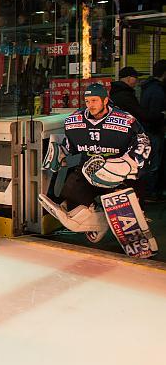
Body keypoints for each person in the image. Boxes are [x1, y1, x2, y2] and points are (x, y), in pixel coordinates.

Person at [38, 83, 154, 255]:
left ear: (105, 100)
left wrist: (127, 164)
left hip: (119, 174)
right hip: (88, 169)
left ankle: (131, 228)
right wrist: (58, 150)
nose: (90, 104)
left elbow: (143, 143)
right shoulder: (74, 120)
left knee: (127, 215)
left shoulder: (125, 120)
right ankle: (98, 219)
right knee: (69, 195)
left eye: (94, 100)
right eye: (87, 101)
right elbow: (69, 144)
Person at [139, 60, 166, 199]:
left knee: (149, 163)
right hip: (153, 132)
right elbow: (154, 115)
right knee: (153, 164)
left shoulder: (147, 87)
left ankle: (148, 192)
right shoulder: (157, 91)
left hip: (147, 131)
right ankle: (150, 193)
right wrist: (162, 116)